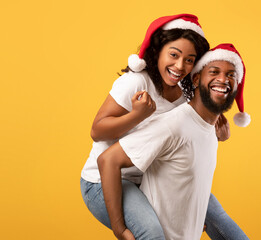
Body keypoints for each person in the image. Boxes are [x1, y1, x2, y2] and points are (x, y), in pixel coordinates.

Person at [80, 13, 248, 239]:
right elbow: (97, 131)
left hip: (149, 178)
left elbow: (184, 134)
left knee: (220, 220)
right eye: (173, 55)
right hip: (106, 180)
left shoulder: (183, 96)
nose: (180, 66)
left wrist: (217, 133)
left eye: (189, 60)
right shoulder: (137, 82)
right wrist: (137, 115)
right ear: (157, 52)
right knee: (152, 232)